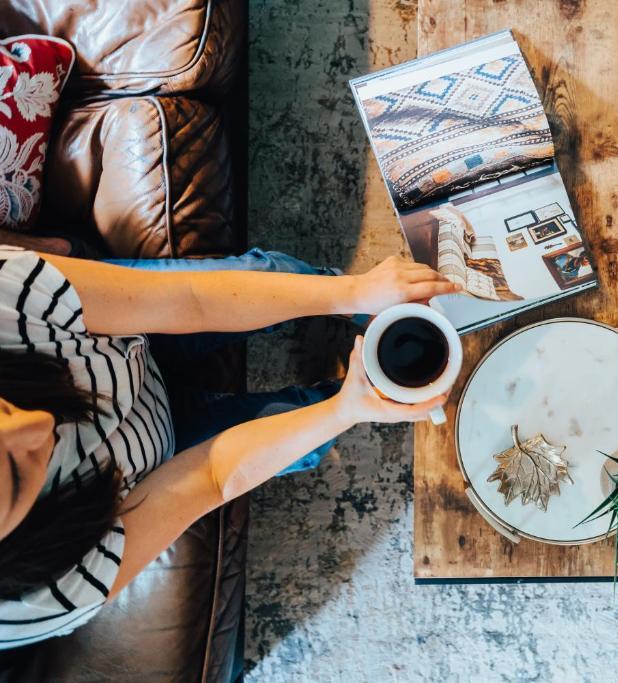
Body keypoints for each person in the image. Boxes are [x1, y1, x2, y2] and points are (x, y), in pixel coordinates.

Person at [0, 246, 460, 648]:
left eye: (2, 409)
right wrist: (344, 410)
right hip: (165, 457)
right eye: (17, 476)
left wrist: (356, 292)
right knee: (315, 437)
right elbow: (212, 476)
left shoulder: (5, 293)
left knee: (275, 272)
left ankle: (364, 311)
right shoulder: (41, 598)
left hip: (119, 330)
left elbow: (191, 299)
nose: (40, 424)